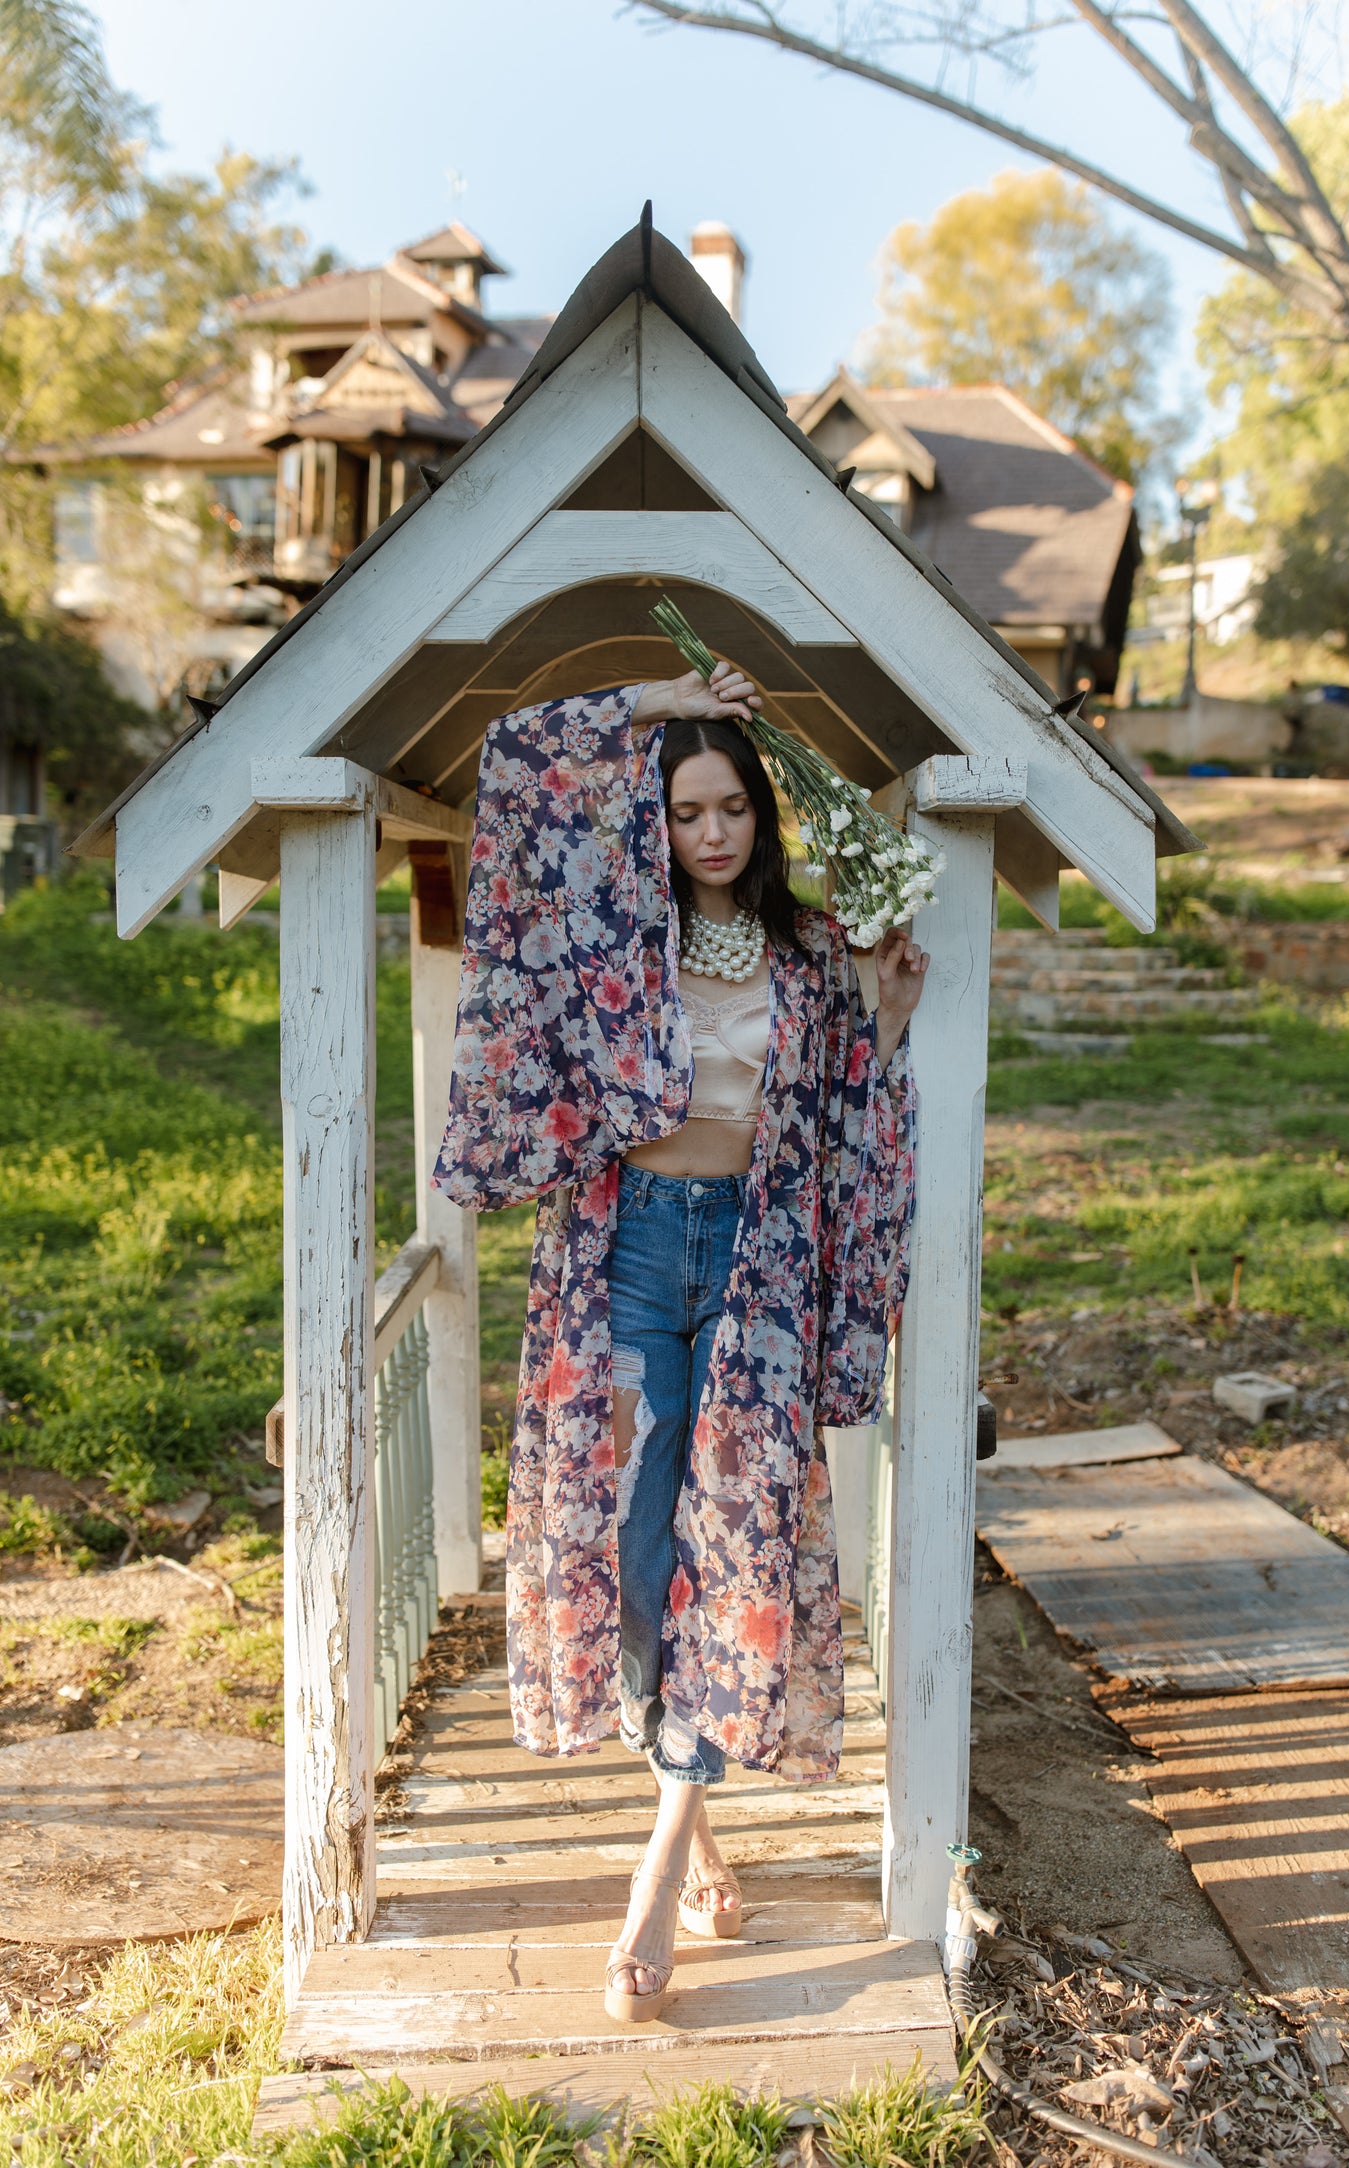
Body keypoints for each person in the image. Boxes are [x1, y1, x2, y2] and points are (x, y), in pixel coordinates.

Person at [433, 660, 928, 2023]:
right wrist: (659, 695)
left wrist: (885, 1018)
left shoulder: (810, 958)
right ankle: (696, 1811)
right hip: (627, 1253)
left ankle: (657, 1865)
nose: (711, 834)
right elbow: (519, 756)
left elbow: (846, 1121)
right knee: (634, 1550)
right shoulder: (609, 933)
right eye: (683, 812)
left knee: (737, 1543)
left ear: (762, 820)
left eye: (730, 810)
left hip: (753, 1262)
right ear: (651, 826)